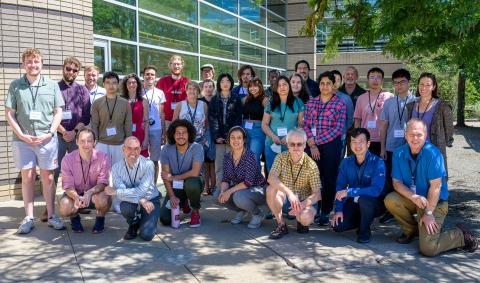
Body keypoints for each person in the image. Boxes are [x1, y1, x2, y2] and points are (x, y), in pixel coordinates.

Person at [384, 119, 478, 256]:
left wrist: (428, 213)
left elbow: (436, 187)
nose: (415, 138)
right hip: (415, 199)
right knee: (390, 199)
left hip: (434, 203)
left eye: (419, 135)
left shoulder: (433, 154)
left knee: (429, 249)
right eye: (411, 134)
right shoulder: (398, 153)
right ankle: (412, 231)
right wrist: (413, 197)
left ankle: (460, 235)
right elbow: (396, 183)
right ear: (405, 135)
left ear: (425, 135)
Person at [6, 48, 65, 233]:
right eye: (29, 62)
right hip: (23, 140)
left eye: (36, 61)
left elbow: (58, 111)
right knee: (28, 177)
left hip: (46, 139)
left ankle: (52, 215)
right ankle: (29, 217)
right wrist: (22, 135)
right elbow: (9, 113)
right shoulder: (15, 86)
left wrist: (50, 132)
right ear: (24, 64)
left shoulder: (51, 85)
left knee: (48, 178)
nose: (33, 65)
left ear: (42, 63)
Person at [304, 71, 346, 225]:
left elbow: (338, 129)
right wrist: (312, 144)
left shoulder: (339, 104)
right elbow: (306, 124)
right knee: (313, 178)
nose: (325, 86)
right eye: (322, 83)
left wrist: (316, 142)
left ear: (333, 85)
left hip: (331, 145)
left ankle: (326, 210)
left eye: (329, 83)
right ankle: (314, 208)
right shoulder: (311, 103)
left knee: (329, 178)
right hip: (312, 145)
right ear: (319, 85)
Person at [331, 128, 386, 243]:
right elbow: (340, 187)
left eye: (361, 141)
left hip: (374, 204)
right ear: (350, 144)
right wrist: (339, 210)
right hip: (354, 203)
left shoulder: (378, 162)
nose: (357, 145)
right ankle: (362, 220)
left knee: (364, 200)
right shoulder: (346, 162)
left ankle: (364, 230)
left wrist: (350, 192)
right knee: (338, 226)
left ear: (368, 144)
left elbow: (376, 190)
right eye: (354, 142)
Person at [266, 129, 321, 239]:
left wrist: (301, 205)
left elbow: (317, 194)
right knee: (270, 189)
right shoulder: (280, 157)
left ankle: (301, 221)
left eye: (299, 144)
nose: (296, 147)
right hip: (287, 199)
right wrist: (289, 193)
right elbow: (271, 178)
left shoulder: (311, 165)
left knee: (305, 219)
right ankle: (281, 224)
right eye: (292, 144)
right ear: (287, 144)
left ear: (305, 145)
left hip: (304, 202)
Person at [379, 69, 416, 223]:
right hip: (391, 147)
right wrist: (382, 148)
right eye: (396, 82)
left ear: (409, 82)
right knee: (391, 178)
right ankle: (390, 210)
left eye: (402, 82)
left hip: (410, 148)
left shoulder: (416, 101)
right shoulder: (388, 102)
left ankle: (409, 208)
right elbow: (384, 126)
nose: (399, 85)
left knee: (409, 179)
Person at [105, 136, 160, 241]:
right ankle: (134, 223)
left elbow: (141, 191)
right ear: (123, 149)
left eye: (136, 148)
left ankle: (148, 220)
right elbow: (122, 192)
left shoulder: (148, 164)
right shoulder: (116, 168)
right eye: (129, 148)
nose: (133, 152)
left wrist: (116, 192)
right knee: (125, 206)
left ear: (140, 149)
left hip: (150, 200)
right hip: (135, 201)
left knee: (147, 235)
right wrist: (140, 200)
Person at [59, 128, 111, 233]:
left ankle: (100, 218)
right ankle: (74, 217)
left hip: (94, 193)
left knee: (104, 198)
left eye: (89, 141)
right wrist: (76, 197)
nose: (86, 144)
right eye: (82, 141)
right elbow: (68, 186)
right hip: (75, 194)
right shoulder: (67, 159)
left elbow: (103, 183)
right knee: (64, 206)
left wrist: (90, 193)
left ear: (94, 143)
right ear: (77, 141)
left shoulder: (103, 157)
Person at [215, 126, 267, 228]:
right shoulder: (227, 156)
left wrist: (228, 192)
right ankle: (241, 210)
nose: (235, 140)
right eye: (232, 137)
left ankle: (258, 214)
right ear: (229, 140)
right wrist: (222, 192)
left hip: (258, 190)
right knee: (217, 195)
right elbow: (226, 179)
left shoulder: (249, 156)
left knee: (238, 196)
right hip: (240, 190)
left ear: (244, 140)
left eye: (239, 138)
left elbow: (248, 182)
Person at [159, 120, 205, 227]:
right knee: (165, 219)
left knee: (191, 183)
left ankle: (195, 211)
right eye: (178, 133)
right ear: (173, 135)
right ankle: (183, 202)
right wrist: (172, 196)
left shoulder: (197, 148)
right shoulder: (166, 149)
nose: (181, 136)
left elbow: (195, 172)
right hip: (176, 187)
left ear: (189, 134)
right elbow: (166, 176)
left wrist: (173, 177)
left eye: (184, 132)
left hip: (193, 183)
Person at [406, 73, 453, 174]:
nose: (424, 88)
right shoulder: (410, 106)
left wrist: (447, 142)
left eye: (428, 85)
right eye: (421, 84)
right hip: (414, 150)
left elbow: (449, 129)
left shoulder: (442, 106)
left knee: (435, 181)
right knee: (415, 183)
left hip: (433, 151)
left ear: (434, 87)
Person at [55, 57, 91, 188]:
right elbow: (49, 115)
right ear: (63, 68)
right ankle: (50, 206)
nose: (71, 72)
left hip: (77, 138)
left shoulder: (83, 90)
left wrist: (73, 132)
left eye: (75, 70)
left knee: (78, 170)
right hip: (58, 137)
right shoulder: (54, 88)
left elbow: (86, 116)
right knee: (54, 171)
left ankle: (78, 201)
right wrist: (64, 132)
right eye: (68, 69)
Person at [262, 75, 304, 172]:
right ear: (276, 88)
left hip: (292, 145)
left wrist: (290, 136)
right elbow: (264, 124)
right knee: (273, 175)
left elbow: (301, 125)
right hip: (272, 143)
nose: (282, 87)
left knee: (291, 175)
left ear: (289, 86)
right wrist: (273, 136)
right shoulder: (270, 103)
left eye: (284, 84)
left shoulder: (298, 102)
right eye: (279, 85)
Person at [209, 73, 243, 190]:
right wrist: (217, 136)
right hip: (219, 139)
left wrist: (232, 137)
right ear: (219, 84)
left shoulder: (236, 98)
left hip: (232, 139)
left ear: (231, 83)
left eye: (227, 81)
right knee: (219, 166)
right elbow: (212, 119)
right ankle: (220, 190)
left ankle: (232, 190)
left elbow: (238, 119)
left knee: (233, 165)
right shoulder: (214, 99)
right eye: (222, 81)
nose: (225, 83)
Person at [90, 71, 132, 166]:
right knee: (102, 172)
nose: (111, 86)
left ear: (118, 84)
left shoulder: (125, 103)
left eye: (114, 83)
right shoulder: (97, 103)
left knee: (119, 172)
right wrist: (95, 141)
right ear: (104, 84)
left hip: (120, 143)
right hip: (101, 143)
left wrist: (128, 141)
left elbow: (128, 124)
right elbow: (95, 123)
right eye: (108, 82)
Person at [354, 67, 394, 156]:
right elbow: (357, 120)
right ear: (367, 80)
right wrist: (357, 138)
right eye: (372, 77)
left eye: (378, 77)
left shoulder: (389, 97)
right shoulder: (361, 98)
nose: (375, 80)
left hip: (383, 140)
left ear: (382, 80)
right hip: (365, 140)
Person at [142, 65, 166, 185]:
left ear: (155, 77)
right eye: (147, 74)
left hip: (156, 129)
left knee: (155, 160)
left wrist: (164, 133)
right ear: (143, 76)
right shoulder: (138, 91)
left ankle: (154, 186)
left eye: (152, 74)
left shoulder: (160, 93)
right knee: (141, 159)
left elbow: (162, 114)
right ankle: (142, 186)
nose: (149, 76)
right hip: (142, 129)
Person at [156, 55, 190, 131]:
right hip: (167, 120)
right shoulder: (162, 81)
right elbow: (157, 102)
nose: (176, 66)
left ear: (182, 66)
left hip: (183, 119)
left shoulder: (187, 82)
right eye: (174, 64)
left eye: (178, 64)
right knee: (168, 142)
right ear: (170, 65)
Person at [339, 66, 366, 156]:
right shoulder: (337, 92)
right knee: (339, 157)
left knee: (355, 156)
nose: (350, 76)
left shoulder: (363, 93)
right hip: (340, 131)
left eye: (352, 74)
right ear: (343, 76)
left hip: (357, 130)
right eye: (348, 74)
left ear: (357, 77)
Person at [242, 77, 269, 168]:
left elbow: (268, 117)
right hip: (245, 130)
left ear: (260, 87)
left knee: (254, 157)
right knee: (245, 158)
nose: (252, 88)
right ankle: (250, 180)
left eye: (255, 86)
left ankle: (256, 181)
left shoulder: (265, 99)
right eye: (250, 86)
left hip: (258, 130)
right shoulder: (245, 99)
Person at [121, 73, 149, 157]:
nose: (131, 85)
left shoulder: (144, 101)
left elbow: (146, 121)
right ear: (125, 85)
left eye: (134, 82)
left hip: (140, 133)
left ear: (137, 84)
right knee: (127, 158)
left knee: (141, 159)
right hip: (125, 134)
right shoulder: (121, 100)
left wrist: (146, 139)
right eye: (128, 83)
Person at [331, 69, 354, 157]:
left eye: (338, 80)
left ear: (341, 82)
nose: (335, 83)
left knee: (339, 160)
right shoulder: (321, 97)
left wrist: (344, 129)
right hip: (323, 136)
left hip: (340, 136)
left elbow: (350, 118)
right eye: (333, 80)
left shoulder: (346, 98)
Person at [199, 79, 216, 195]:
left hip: (213, 132)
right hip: (202, 132)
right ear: (203, 88)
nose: (208, 89)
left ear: (213, 88)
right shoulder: (200, 101)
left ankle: (214, 186)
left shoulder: (216, 100)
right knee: (205, 162)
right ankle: (206, 187)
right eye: (206, 86)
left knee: (213, 161)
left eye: (210, 86)